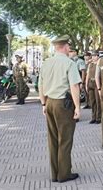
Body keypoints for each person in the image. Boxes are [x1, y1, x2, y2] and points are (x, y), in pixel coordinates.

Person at [38, 35, 80, 183]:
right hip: (63, 104)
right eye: (68, 46)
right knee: (65, 139)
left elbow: (40, 86)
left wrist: (43, 104)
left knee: (53, 139)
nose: (69, 48)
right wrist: (78, 108)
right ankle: (64, 174)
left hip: (49, 102)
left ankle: (55, 173)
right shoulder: (69, 63)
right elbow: (74, 86)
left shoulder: (46, 63)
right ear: (64, 47)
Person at [86, 50, 101, 124]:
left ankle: (98, 117)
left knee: (98, 101)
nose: (94, 57)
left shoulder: (100, 64)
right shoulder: (90, 64)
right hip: (90, 83)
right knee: (92, 101)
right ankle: (93, 117)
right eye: (93, 56)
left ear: (98, 56)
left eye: (95, 56)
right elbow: (88, 75)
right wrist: (86, 84)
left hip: (97, 83)